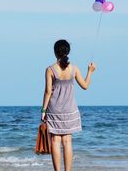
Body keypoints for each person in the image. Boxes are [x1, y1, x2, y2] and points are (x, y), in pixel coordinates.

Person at [41, 39, 96, 171]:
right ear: (67, 52)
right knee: (67, 141)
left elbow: (48, 92)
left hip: (54, 110)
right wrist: (90, 71)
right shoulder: (74, 68)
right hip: (70, 110)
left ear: (55, 53)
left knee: (55, 141)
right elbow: (85, 86)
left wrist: (43, 110)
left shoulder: (50, 69)